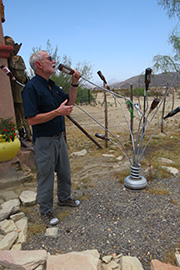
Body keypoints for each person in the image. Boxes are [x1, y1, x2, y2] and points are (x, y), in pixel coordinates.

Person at [22, 50, 81, 226]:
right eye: (50, 59)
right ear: (39, 64)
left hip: (59, 137)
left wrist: (74, 83)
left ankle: (64, 199)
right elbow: (31, 119)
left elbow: (69, 103)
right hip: (44, 140)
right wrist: (57, 112)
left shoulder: (52, 86)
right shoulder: (31, 88)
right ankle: (46, 211)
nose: (54, 61)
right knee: (46, 176)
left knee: (64, 172)